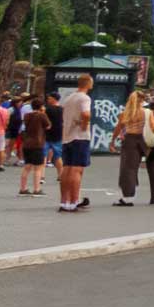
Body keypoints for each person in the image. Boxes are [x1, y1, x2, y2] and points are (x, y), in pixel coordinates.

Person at [56, 74, 94, 213]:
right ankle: (74, 201)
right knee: (77, 170)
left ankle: (64, 201)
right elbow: (86, 114)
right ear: (88, 84)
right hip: (80, 137)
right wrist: (84, 125)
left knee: (66, 169)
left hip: (67, 136)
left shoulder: (69, 98)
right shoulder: (85, 98)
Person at [112, 88, 151, 207]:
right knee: (137, 168)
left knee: (127, 169)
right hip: (144, 141)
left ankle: (128, 197)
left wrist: (112, 141)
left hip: (130, 140)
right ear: (142, 100)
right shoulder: (147, 112)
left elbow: (118, 128)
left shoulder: (126, 113)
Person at [17, 94, 49, 196]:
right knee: (38, 167)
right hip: (37, 143)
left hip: (27, 143)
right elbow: (48, 126)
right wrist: (43, 113)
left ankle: (23, 188)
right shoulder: (41, 115)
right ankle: (37, 189)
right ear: (41, 107)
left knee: (27, 166)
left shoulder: (27, 115)